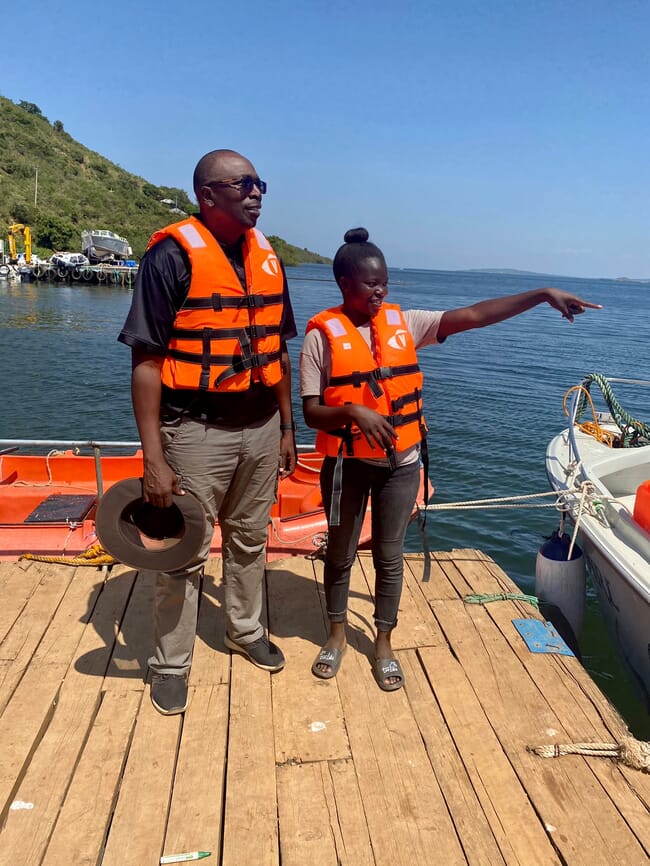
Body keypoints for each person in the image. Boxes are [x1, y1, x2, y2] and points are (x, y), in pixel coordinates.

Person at [300, 227, 601, 691]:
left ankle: (383, 642)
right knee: (339, 554)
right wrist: (353, 411)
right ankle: (336, 636)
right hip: (346, 464)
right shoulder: (321, 336)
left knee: (389, 553)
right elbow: (312, 411)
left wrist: (542, 295)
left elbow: (475, 314)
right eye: (369, 284)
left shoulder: (406, 323)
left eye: (384, 283)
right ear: (343, 283)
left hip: (401, 463)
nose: (380, 292)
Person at [118, 149, 297, 715]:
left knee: (250, 538)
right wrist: (154, 459)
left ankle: (243, 631)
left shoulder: (267, 256)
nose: (256, 192)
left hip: (262, 428)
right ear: (207, 195)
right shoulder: (170, 257)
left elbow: (279, 349)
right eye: (242, 184)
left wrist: (288, 426)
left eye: (259, 183)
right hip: (195, 432)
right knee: (183, 550)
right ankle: (170, 662)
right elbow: (146, 363)